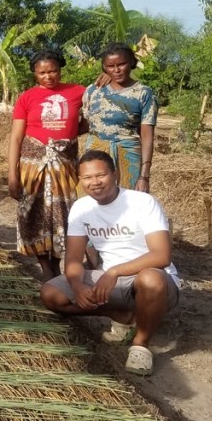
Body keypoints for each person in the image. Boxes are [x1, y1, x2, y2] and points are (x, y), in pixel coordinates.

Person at [40, 150, 180, 376]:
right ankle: (123, 316)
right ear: (80, 180)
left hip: (152, 279)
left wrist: (114, 271)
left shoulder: (142, 202)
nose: (94, 182)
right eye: (87, 178)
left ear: (115, 174)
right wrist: (77, 286)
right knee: (51, 294)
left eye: (100, 175)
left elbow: (162, 256)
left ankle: (141, 345)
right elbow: (74, 258)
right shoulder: (81, 208)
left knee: (150, 278)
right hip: (111, 281)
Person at [8, 50, 85, 278]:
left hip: (65, 164)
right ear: (34, 73)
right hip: (32, 166)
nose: (48, 76)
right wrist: (12, 175)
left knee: (64, 213)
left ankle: (57, 262)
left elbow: (91, 115)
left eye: (52, 71)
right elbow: (16, 138)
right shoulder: (26, 98)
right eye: (42, 72)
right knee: (34, 213)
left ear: (60, 69)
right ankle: (46, 267)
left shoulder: (78, 92)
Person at [83, 43, 158, 192]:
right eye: (110, 66)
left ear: (131, 62)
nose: (116, 70)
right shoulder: (93, 90)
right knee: (93, 202)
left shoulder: (144, 93)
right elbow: (86, 123)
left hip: (128, 155)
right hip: (95, 154)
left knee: (128, 202)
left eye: (122, 64)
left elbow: (147, 135)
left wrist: (144, 176)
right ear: (104, 67)